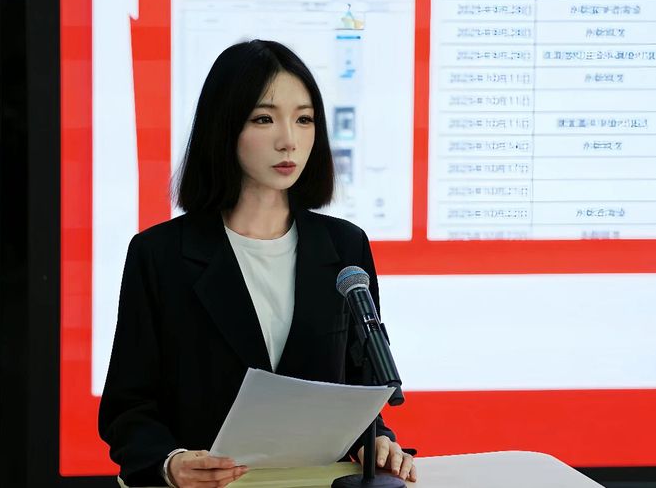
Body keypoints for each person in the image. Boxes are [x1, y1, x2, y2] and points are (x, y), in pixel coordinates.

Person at [98, 40, 417, 488]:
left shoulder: (345, 246)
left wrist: (375, 440)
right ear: (223, 127)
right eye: (264, 119)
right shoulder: (159, 254)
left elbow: (361, 388)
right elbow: (127, 407)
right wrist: (170, 464)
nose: (289, 140)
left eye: (304, 119)